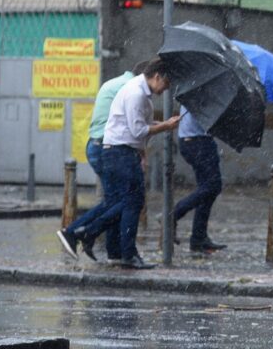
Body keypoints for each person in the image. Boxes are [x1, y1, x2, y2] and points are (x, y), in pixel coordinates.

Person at [57, 59, 180, 269]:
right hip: (119, 153)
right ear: (157, 76)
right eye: (167, 82)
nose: (168, 88)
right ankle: (110, 244)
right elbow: (138, 131)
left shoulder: (142, 95)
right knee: (131, 202)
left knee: (120, 202)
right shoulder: (136, 93)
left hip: (122, 152)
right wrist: (166, 126)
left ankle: (95, 238)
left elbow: (142, 126)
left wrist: (164, 126)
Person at [68, 60, 151, 262]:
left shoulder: (117, 82)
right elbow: (134, 127)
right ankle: (78, 232)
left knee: (118, 200)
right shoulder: (132, 89)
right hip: (109, 146)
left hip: (98, 144)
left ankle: (113, 250)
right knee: (122, 201)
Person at [171, 105, 227, 253]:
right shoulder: (205, 92)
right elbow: (211, 119)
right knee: (213, 185)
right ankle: (173, 215)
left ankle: (198, 238)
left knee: (207, 189)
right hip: (198, 141)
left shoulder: (202, 89)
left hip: (196, 140)